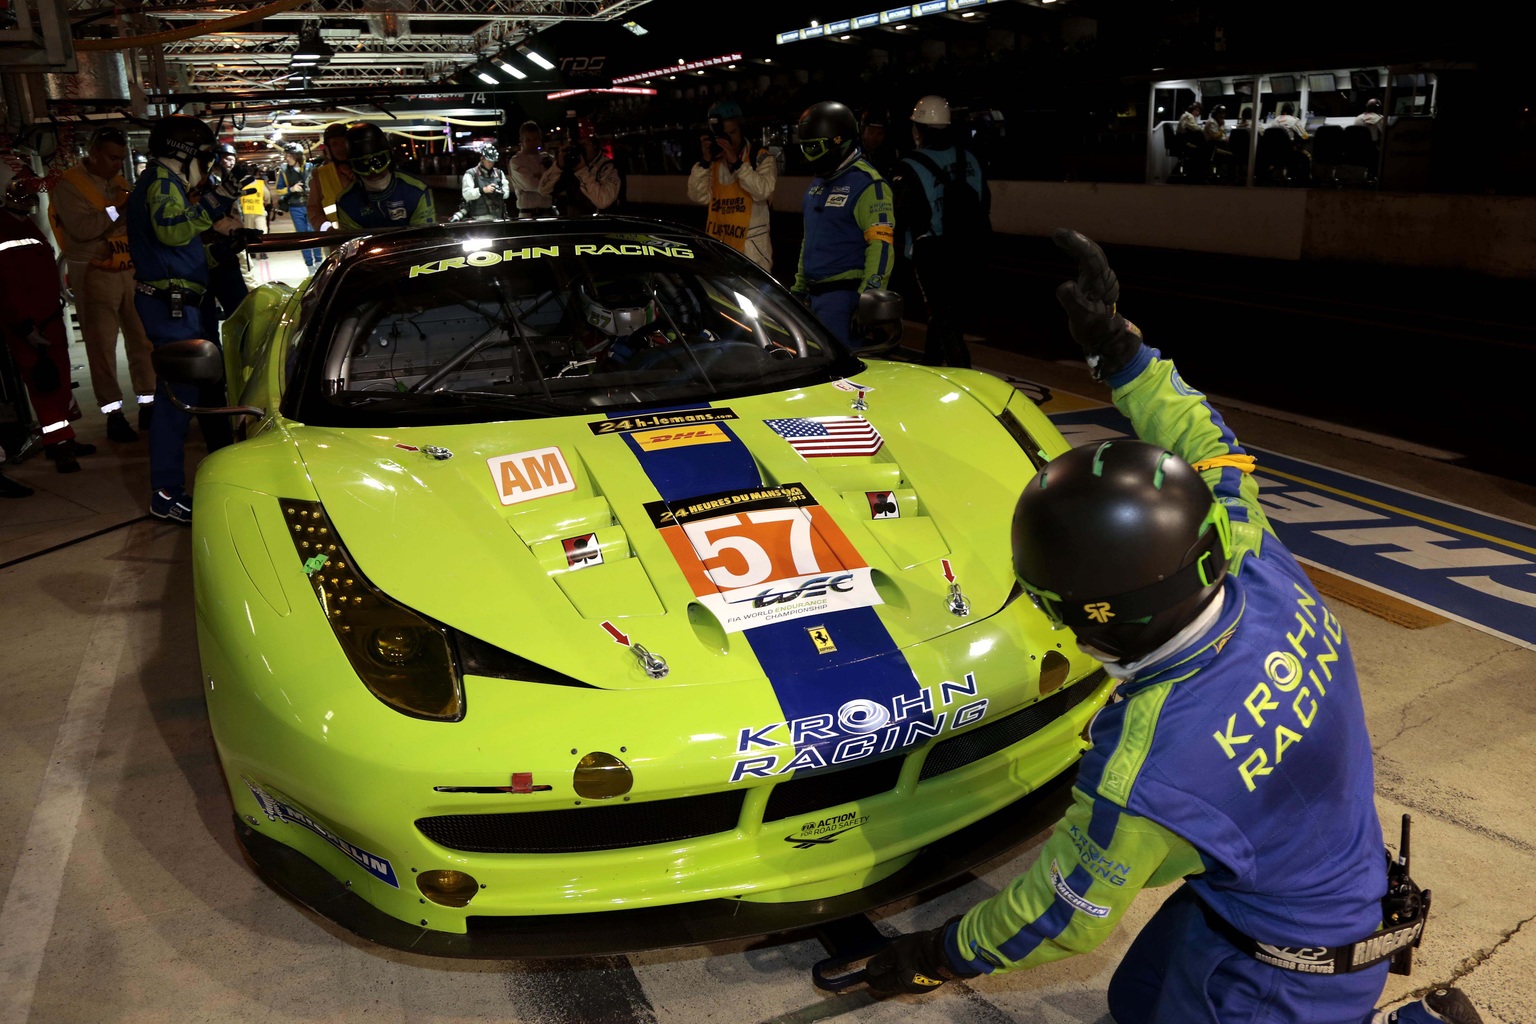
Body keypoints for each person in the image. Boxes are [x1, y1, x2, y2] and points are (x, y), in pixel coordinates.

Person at [854, 229, 1480, 1024]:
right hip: (1308, 892)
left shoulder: (1147, 769)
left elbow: (1060, 915)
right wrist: (1120, 353)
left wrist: (932, 955)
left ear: (1097, 620)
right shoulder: (1256, 562)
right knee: (1134, 1001)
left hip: (1286, 978)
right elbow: (1209, 445)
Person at [127, 113, 245, 523]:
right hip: (168, 305)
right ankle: (165, 493)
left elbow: (180, 255)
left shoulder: (166, 183)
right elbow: (171, 233)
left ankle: (168, 489)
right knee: (176, 402)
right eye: (205, 159)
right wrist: (214, 204)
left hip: (174, 301)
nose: (207, 169)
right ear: (186, 155)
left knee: (178, 399)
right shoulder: (162, 184)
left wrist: (223, 249)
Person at [47, 126, 157, 442]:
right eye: (111, 158)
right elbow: (83, 228)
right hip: (94, 276)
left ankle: (147, 402)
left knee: (142, 340)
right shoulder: (69, 186)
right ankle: (113, 414)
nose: (117, 165)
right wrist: (118, 209)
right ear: (93, 154)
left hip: (128, 271)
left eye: (121, 159)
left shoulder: (118, 182)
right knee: (101, 347)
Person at [1, 174, 96, 473]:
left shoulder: (26, 225)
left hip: (48, 318)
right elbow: (6, 287)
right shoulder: (4, 228)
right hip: (28, 325)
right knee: (43, 385)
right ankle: (59, 445)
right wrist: (24, 326)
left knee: (59, 381)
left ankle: (64, 438)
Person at [890, 94, 988, 368]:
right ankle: (931, 363)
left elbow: (904, 215)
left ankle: (963, 371)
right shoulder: (970, 158)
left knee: (941, 314)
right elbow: (984, 203)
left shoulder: (909, 165)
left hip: (932, 248)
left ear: (918, 129)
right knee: (949, 311)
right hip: (969, 245)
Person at [791, 101, 894, 346]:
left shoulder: (869, 184)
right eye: (806, 148)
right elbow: (810, 239)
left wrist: (868, 300)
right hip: (814, 299)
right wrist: (798, 288)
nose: (809, 156)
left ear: (840, 141)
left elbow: (881, 246)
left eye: (815, 148)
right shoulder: (817, 184)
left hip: (844, 300)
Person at [687, 99, 776, 273]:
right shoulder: (714, 162)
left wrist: (737, 164)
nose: (729, 138)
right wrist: (705, 162)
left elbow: (763, 191)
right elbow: (698, 196)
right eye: (723, 134)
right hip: (721, 249)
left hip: (752, 251)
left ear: (742, 128)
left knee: (755, 299)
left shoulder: (760, 156)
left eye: (733, 132)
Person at [333, 123, 435, 229]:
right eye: (363, 165)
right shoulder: (346, 203)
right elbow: (353, 242)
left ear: (390, 158)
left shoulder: (417, 191)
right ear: (352, 166)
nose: (373, 172)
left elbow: (424, 236)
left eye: (379, 162)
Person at [275, 142, 321, 271]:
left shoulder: (310, 167)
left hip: (311, 205)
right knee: (302, 237)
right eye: (286, 155)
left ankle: (318, 261)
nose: (287, 158)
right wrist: (291, 189)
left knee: (315, 234)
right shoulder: (284, 170)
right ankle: (310, 266)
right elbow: (278, 190)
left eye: (289, 155)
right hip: (295, 207)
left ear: (297, 156)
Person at [557, 133, 620, 217]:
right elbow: (544, 190)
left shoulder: (608, 167)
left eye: (584, 145)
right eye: (577, 146)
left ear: (595, 145)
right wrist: (558, 167)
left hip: (602, 226)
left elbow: (603, 201)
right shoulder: (573, 166)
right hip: (576, 224)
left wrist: (583, 172)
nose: (581, 149)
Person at [508, 121, 561, 218]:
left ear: (540, 139)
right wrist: (548, 180)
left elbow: (558, 181)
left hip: (548, 213)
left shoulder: (548, 158)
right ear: (521, 140)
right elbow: (531, 184)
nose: (532, 143)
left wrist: (540, 178)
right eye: (528, 140)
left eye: (535, 139)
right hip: (528, 215)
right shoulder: (516, 161)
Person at [307, 122, 354, 231]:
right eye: (335, 144)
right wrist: (327, 229)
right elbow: (313, 210)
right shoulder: (320, 175)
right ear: (328, 149)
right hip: (336, 240)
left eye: (343, 143)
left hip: (365, 236)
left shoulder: (363, 169)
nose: (340, 148)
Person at [459, 145, 510, 221]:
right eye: (489, 161)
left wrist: (499, 192)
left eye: (493, 162)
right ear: (482, 158)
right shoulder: (471, 174)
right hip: (478, 218)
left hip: (497, 217)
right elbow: (466, 194)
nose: (491, 164)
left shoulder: (499, 173)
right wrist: (483, 190)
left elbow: (506, 194)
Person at [859, 108, 898, 178]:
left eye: (879, 133)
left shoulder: (889, 152)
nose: (874, 137)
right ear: (863, 130)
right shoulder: (854, 151)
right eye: (871, 132)